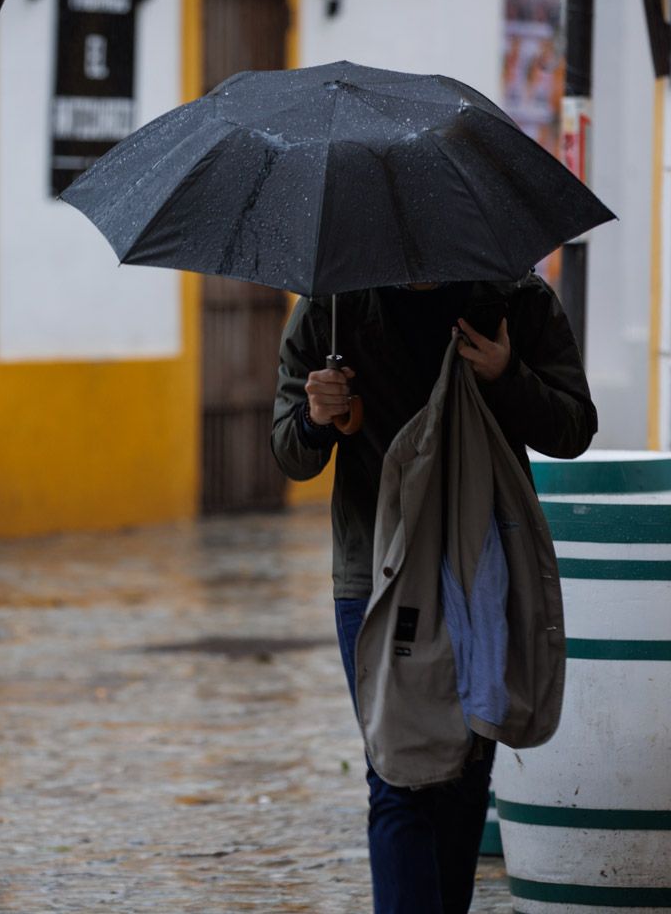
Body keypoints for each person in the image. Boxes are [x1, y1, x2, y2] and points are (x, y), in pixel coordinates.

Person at [270, 274, 596, 914]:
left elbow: (572, 428)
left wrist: (507, 373)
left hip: (482, 566)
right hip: (377, 570)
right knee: (397, 770)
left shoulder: (514, 300)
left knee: (468, 772)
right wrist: (315, 418)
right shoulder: (334, 306)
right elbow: (289, 453)